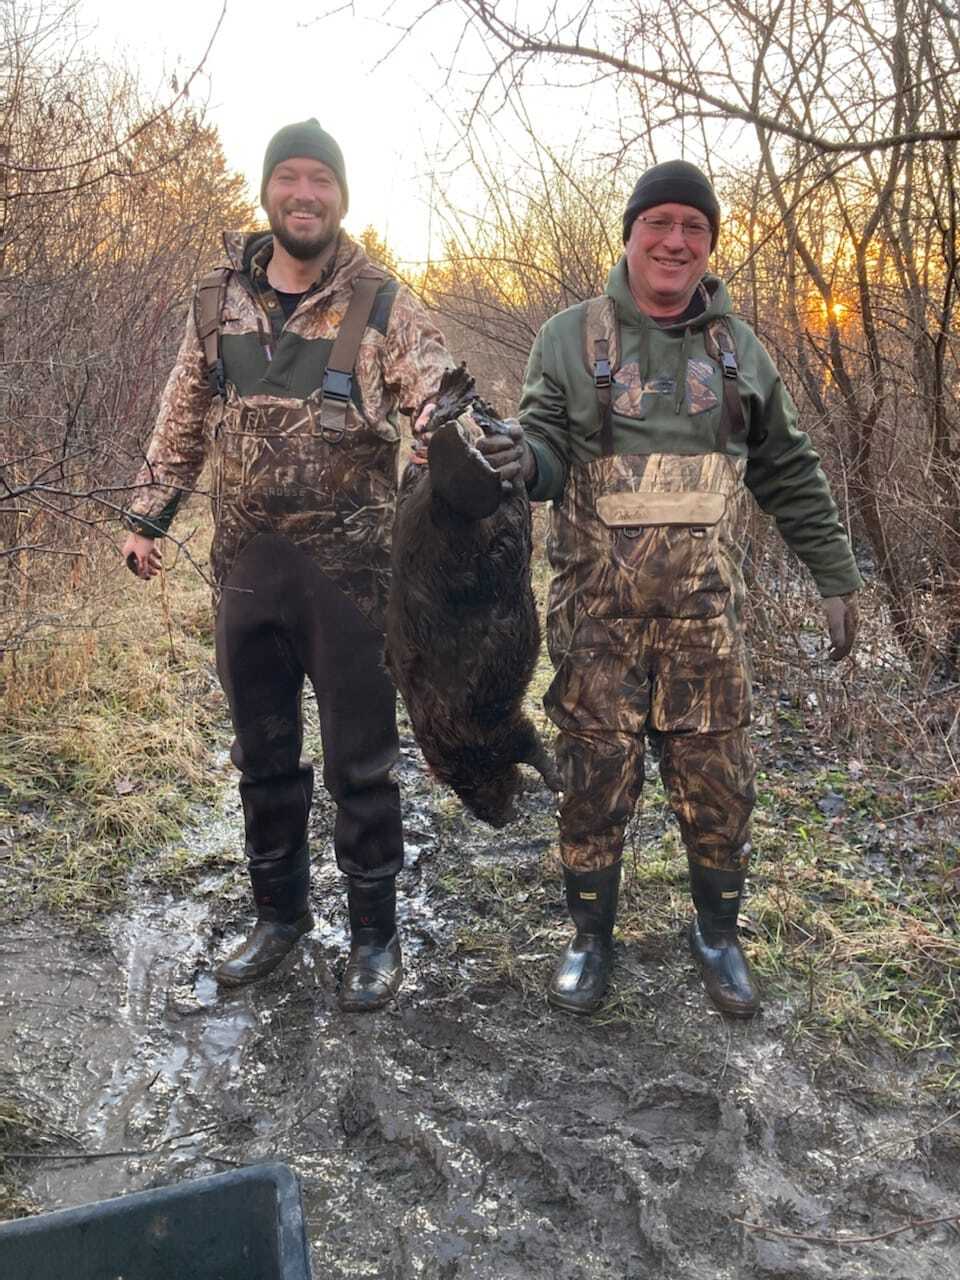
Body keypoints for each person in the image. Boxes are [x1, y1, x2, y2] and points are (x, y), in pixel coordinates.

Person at [469, 160, 862, 1019]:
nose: (676, 241)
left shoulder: (738, 351)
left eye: (694, 227)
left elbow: (788, 467)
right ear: (630, 234)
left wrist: (834, 573)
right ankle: (589, 936)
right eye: (660, 224)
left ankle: (717, 936)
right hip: (596, 627)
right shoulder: (570, 340)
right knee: (592, 781)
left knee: (720, 783)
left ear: (709, 244)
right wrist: (518, 461)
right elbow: (540, 446)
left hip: (704, 630)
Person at [122, 119, 458, 1010]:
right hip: (246, 573)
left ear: (342, 200)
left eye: (322, 182)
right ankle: (279, 919)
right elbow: (180, 418)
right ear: (268, 191)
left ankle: (375, 938)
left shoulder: (383, 302)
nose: (305, 195)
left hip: (353, 584)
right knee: (263, 755)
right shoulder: (216, 303)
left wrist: (449, 444)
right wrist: (147, 516)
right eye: (291, 179)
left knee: (363, 764)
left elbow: (438, 397)